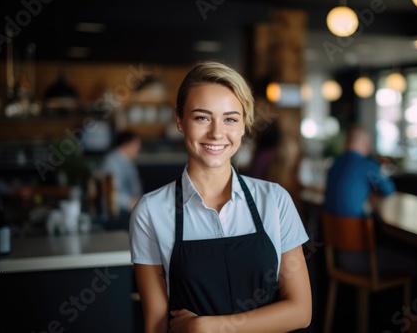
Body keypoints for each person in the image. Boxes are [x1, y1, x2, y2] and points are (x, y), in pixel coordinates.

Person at [130, 61, 311, 333]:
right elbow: (156, 325)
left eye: (230, 119)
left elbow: (301, 311)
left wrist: (208, 327)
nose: (216, 133)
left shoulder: (275, 201)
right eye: (202, 117)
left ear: (243, 125)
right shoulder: (151, 211)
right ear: (180, 120)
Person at [324, 126, 417, 275]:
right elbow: (389, 190)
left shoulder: (334, 164)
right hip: (359, 256)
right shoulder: (367, 165)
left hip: (334, 254)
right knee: (414, 261)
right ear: (365, 144)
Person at [101, 131, 142, 215]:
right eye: (136, 145)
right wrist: (130, 202)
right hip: (117, 213)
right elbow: (110, 192)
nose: (138, 148)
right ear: (126, 144)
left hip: (132, 210)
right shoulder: (111, 163)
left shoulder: (128, 161)